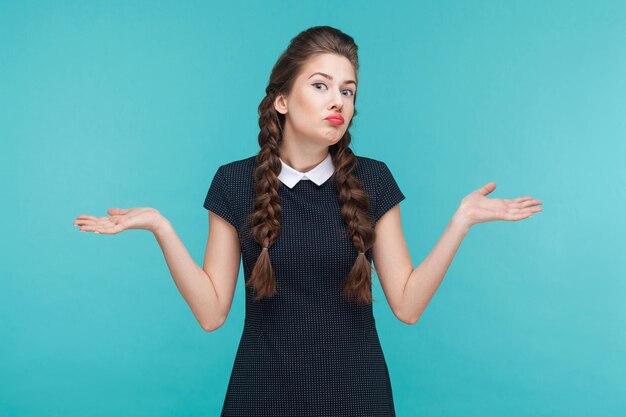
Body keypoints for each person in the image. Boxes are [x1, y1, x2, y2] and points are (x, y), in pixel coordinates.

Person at [72, 25, 543, 417]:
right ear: (282, 100)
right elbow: (212, 312)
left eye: (347, 90)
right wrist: (161, 226)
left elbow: (408, 304)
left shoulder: (373, 181)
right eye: (320, 85)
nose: (337, 100)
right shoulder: (235, 183)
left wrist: (460, 221)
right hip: (261, 398)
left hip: (358, 399)